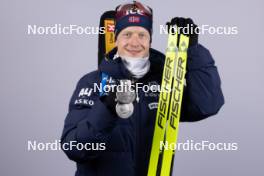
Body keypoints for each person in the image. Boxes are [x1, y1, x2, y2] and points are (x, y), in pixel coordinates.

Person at [61, 1, 224, 176]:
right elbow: (74, 147)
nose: (134, 42)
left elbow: (207, 104)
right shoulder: (92, 82)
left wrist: (193, 51)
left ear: (150, 40)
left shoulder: (164, 83)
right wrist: (107, 109)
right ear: (116, 38)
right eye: (127, 34)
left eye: (142, 35)